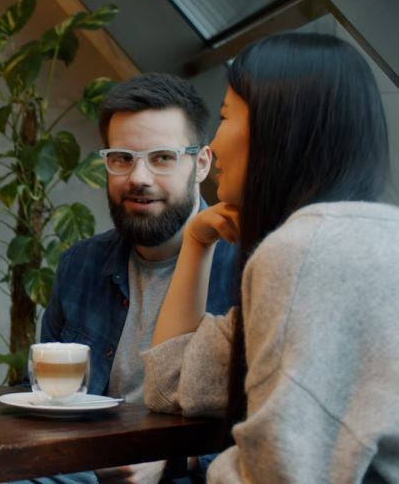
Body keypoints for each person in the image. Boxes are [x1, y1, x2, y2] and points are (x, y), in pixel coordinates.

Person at [145, 32, 399, 482]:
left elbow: (278, 472)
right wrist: (196, 244)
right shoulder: (368, 237)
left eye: (225, 117)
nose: (215, 144)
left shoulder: (302, 253)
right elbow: (170, 384)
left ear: (276, 126)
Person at [37, 73, 238, 483]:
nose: (138, 178)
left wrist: (176, 461)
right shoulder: (81, 264)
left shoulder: (250, 266)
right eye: (122, 158)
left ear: (201, 164)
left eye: (162, 157)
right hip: (78, 467)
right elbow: (43, 396)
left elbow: (274, 430)